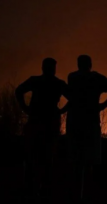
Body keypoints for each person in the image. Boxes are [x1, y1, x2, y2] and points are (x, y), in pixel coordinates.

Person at [65, 55, 107, 202]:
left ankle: (75, 194)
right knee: (89, 161)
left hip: (74, 122)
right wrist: (102, 106)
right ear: (90, 64)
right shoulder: (96, 78)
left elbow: (70, 97)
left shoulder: (72, 77)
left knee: (75, 160)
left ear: (78, 64)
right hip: (90, 122)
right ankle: (86, 195)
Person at [15, 57, 69, 199]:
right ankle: (44, 189)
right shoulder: (58, 83)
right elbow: (74, 97)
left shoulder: (35, 80)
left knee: (31, 155)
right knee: (47, 156)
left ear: (42, 68)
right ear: (53, 69)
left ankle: (30, 188)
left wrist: (25, 108)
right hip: (50, 123)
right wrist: (61, 111)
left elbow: (18, 91)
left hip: (35, 121)